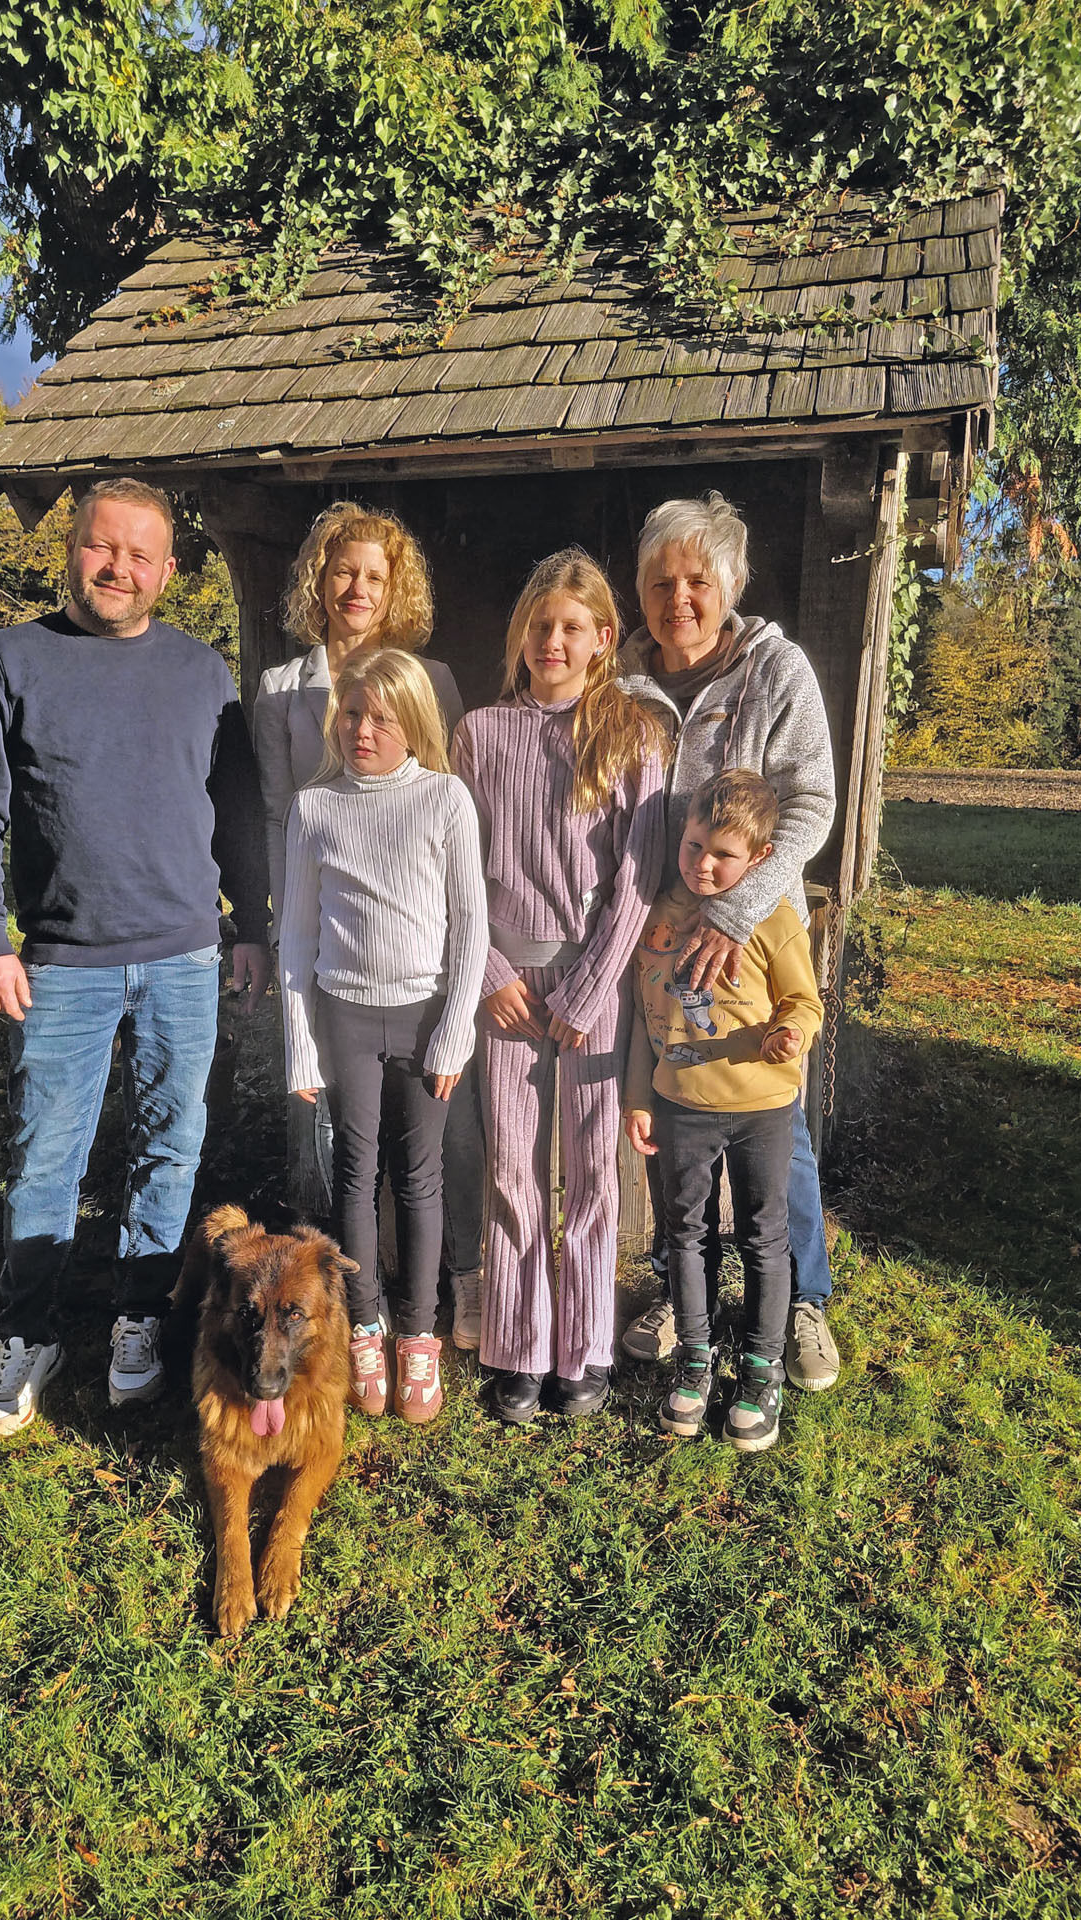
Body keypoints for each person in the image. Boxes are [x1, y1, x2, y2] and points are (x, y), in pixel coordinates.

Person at [0, 477, 271, 1441]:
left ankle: (138, 1317)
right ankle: (29, 1332)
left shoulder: (204, 674)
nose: (117, 568)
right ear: (71, 550)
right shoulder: (11, 660)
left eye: (139, 554)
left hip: (182, 953)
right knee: (48, 1153)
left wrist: (247, 923)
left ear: (168, 571)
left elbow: (241, 813)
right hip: (61, 962)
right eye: (101, 546)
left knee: (170, 1144)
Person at [614, 491, 841, 1394]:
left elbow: (813, 803)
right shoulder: (617, 683)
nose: (679, 598)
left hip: (750, 940)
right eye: (661, 581)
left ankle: (802, 1304)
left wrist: (735, 912)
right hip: (661, 944)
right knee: (680, 1117)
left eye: (697, 580)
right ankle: (686, 1290)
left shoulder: (774, 672)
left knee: (769, 1119)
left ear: (731, 585)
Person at [252, 501, 485, 1347]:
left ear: (398, 590)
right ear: (319, 577)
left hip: (417, 955)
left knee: (439, 1131)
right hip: (330, 936)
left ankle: (459, 1280)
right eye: (343, 570)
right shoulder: (283, 688)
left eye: (375, 575)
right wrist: (289, 934)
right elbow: (281, 813)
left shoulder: (433, 681)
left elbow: (443, 807)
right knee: (330, 1139)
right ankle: (341, 1300)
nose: (357, 587)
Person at [452, 550, 666, 1423]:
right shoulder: (479, 732)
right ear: (521, 635)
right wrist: (491, 973)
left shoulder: (633, 733)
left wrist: (588, 989)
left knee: (589, 1171)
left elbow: (641, 872)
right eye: (540, 625)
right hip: (505, 982)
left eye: (572, 626)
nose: (554, 639)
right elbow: (454, 869)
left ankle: (582, 1348)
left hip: (592, 980)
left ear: (602, 639)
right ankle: (518, 1345)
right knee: (511, 1164)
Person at [280, 649, 487, 1423]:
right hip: (347, 1017)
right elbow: (296, 938)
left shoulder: (445, 801)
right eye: (354, 713)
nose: (364, 729)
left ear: (414, 724)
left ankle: (418, 1335)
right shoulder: (315, 807)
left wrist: (454, 1032)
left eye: (382, 717)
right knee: (356, 1172)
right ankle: (364, 1326)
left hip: (427, 1014)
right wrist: (302, 1043)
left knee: (420, 1177)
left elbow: (471, 928)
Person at [624, 772, 824, 1452]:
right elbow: (638, 1017)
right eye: (691, 847)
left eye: (723, 855)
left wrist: (790, 1033)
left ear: (760, 859)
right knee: (686, 1232)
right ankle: (696, 1356)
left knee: (765, 1235)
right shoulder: (654, 913)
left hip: (763, 1108)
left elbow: (804, 1000)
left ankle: (762, 1367)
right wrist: (637, 1096)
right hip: (681, 1107)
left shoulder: (773, 919)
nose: (701, 865)